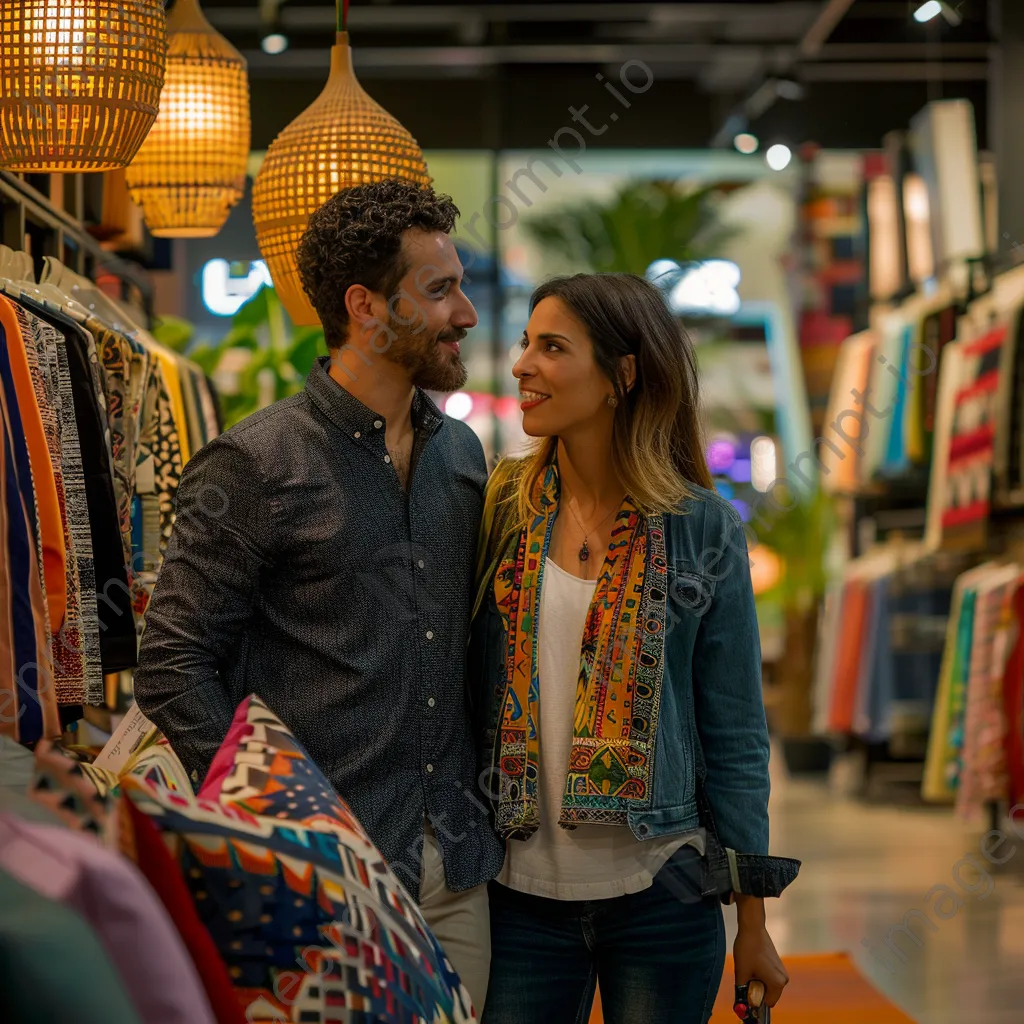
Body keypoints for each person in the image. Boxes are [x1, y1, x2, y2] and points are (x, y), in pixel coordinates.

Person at [134, 180, 505, 1012]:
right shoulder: (258, 463)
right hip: (318, 876)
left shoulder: (463, 459)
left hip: (454, 867)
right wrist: (270, 816)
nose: (467, 315)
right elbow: (171, 661)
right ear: (365, 306)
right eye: (440, 290)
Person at [468, 273, 799, 1024]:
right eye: (526, 343)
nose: (522, 365)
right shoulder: (499, 508)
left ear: (622, 374)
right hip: (516, 897)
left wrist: (753, 923)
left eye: (552, 347)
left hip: (664, 891)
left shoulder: (702, 528)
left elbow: (737, 733)